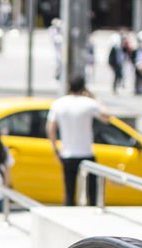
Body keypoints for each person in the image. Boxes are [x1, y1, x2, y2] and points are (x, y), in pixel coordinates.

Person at [47, 74, 110, 206]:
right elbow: (107, 116)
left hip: (67, 153)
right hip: (86, 152)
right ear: (83, 87)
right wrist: (93, 97)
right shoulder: (89, 103)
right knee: (92, 192)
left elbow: (51, 127)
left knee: (69, 192)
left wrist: (54, 148)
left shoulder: (59, 103)